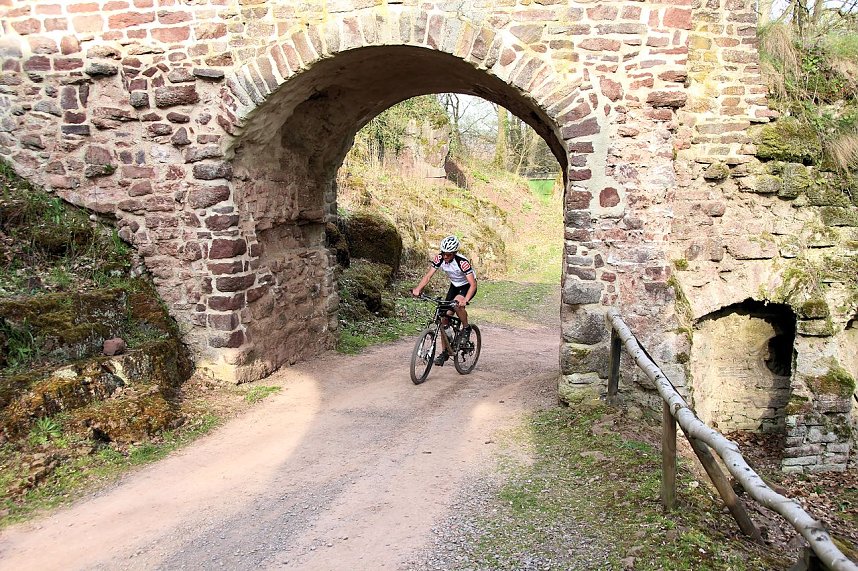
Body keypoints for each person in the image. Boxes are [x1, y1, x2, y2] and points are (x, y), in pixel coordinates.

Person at [411, 235, 477, 365]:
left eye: (448, 255)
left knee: (458, 305)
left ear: (454, 253)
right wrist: (418, 289)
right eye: (444, 254)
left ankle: (466, 328)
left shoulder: (462, 262)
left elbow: (473, 284)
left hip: (467, 287)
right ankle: (445, 351)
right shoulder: (439, 258)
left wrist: (466, 299)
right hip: (454, 286)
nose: (445, 257)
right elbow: (428, 276)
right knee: (444, 319)